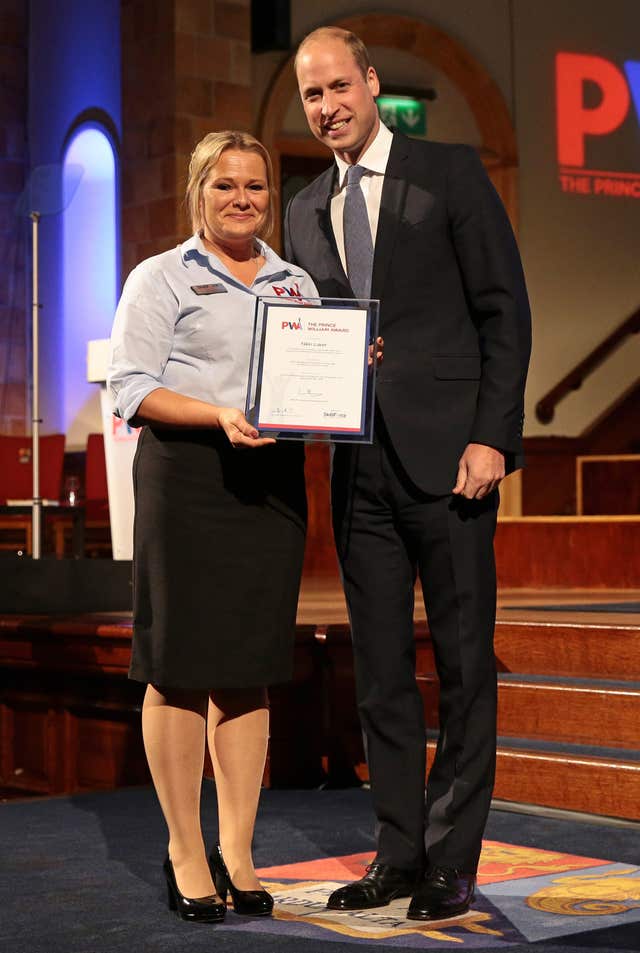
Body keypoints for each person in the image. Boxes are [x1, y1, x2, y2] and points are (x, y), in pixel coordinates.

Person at [285, 27, 532, 921]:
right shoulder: (305, 207)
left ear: (371, 82)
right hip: (359, 474)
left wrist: (493, 437)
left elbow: (505, 311)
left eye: (339, 87)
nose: (328, 107)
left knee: (465, 669)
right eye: (312, 96)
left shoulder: (450, 172)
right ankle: (397, 851)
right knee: (381, 674)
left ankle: (451, 860)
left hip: (453, 462)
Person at [108, 130, 318, 923]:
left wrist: (346, 369)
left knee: (248, 662)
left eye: (256, 187)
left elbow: (311, 378)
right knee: (180, 662)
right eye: (225, 185)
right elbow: (133, 385)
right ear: (199, 190)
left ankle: (239, 848)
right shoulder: (159, 276)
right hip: (188, 476)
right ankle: (185, 850)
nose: (242, 199)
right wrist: (217, 414)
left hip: (271, 486)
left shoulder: (297, 283)